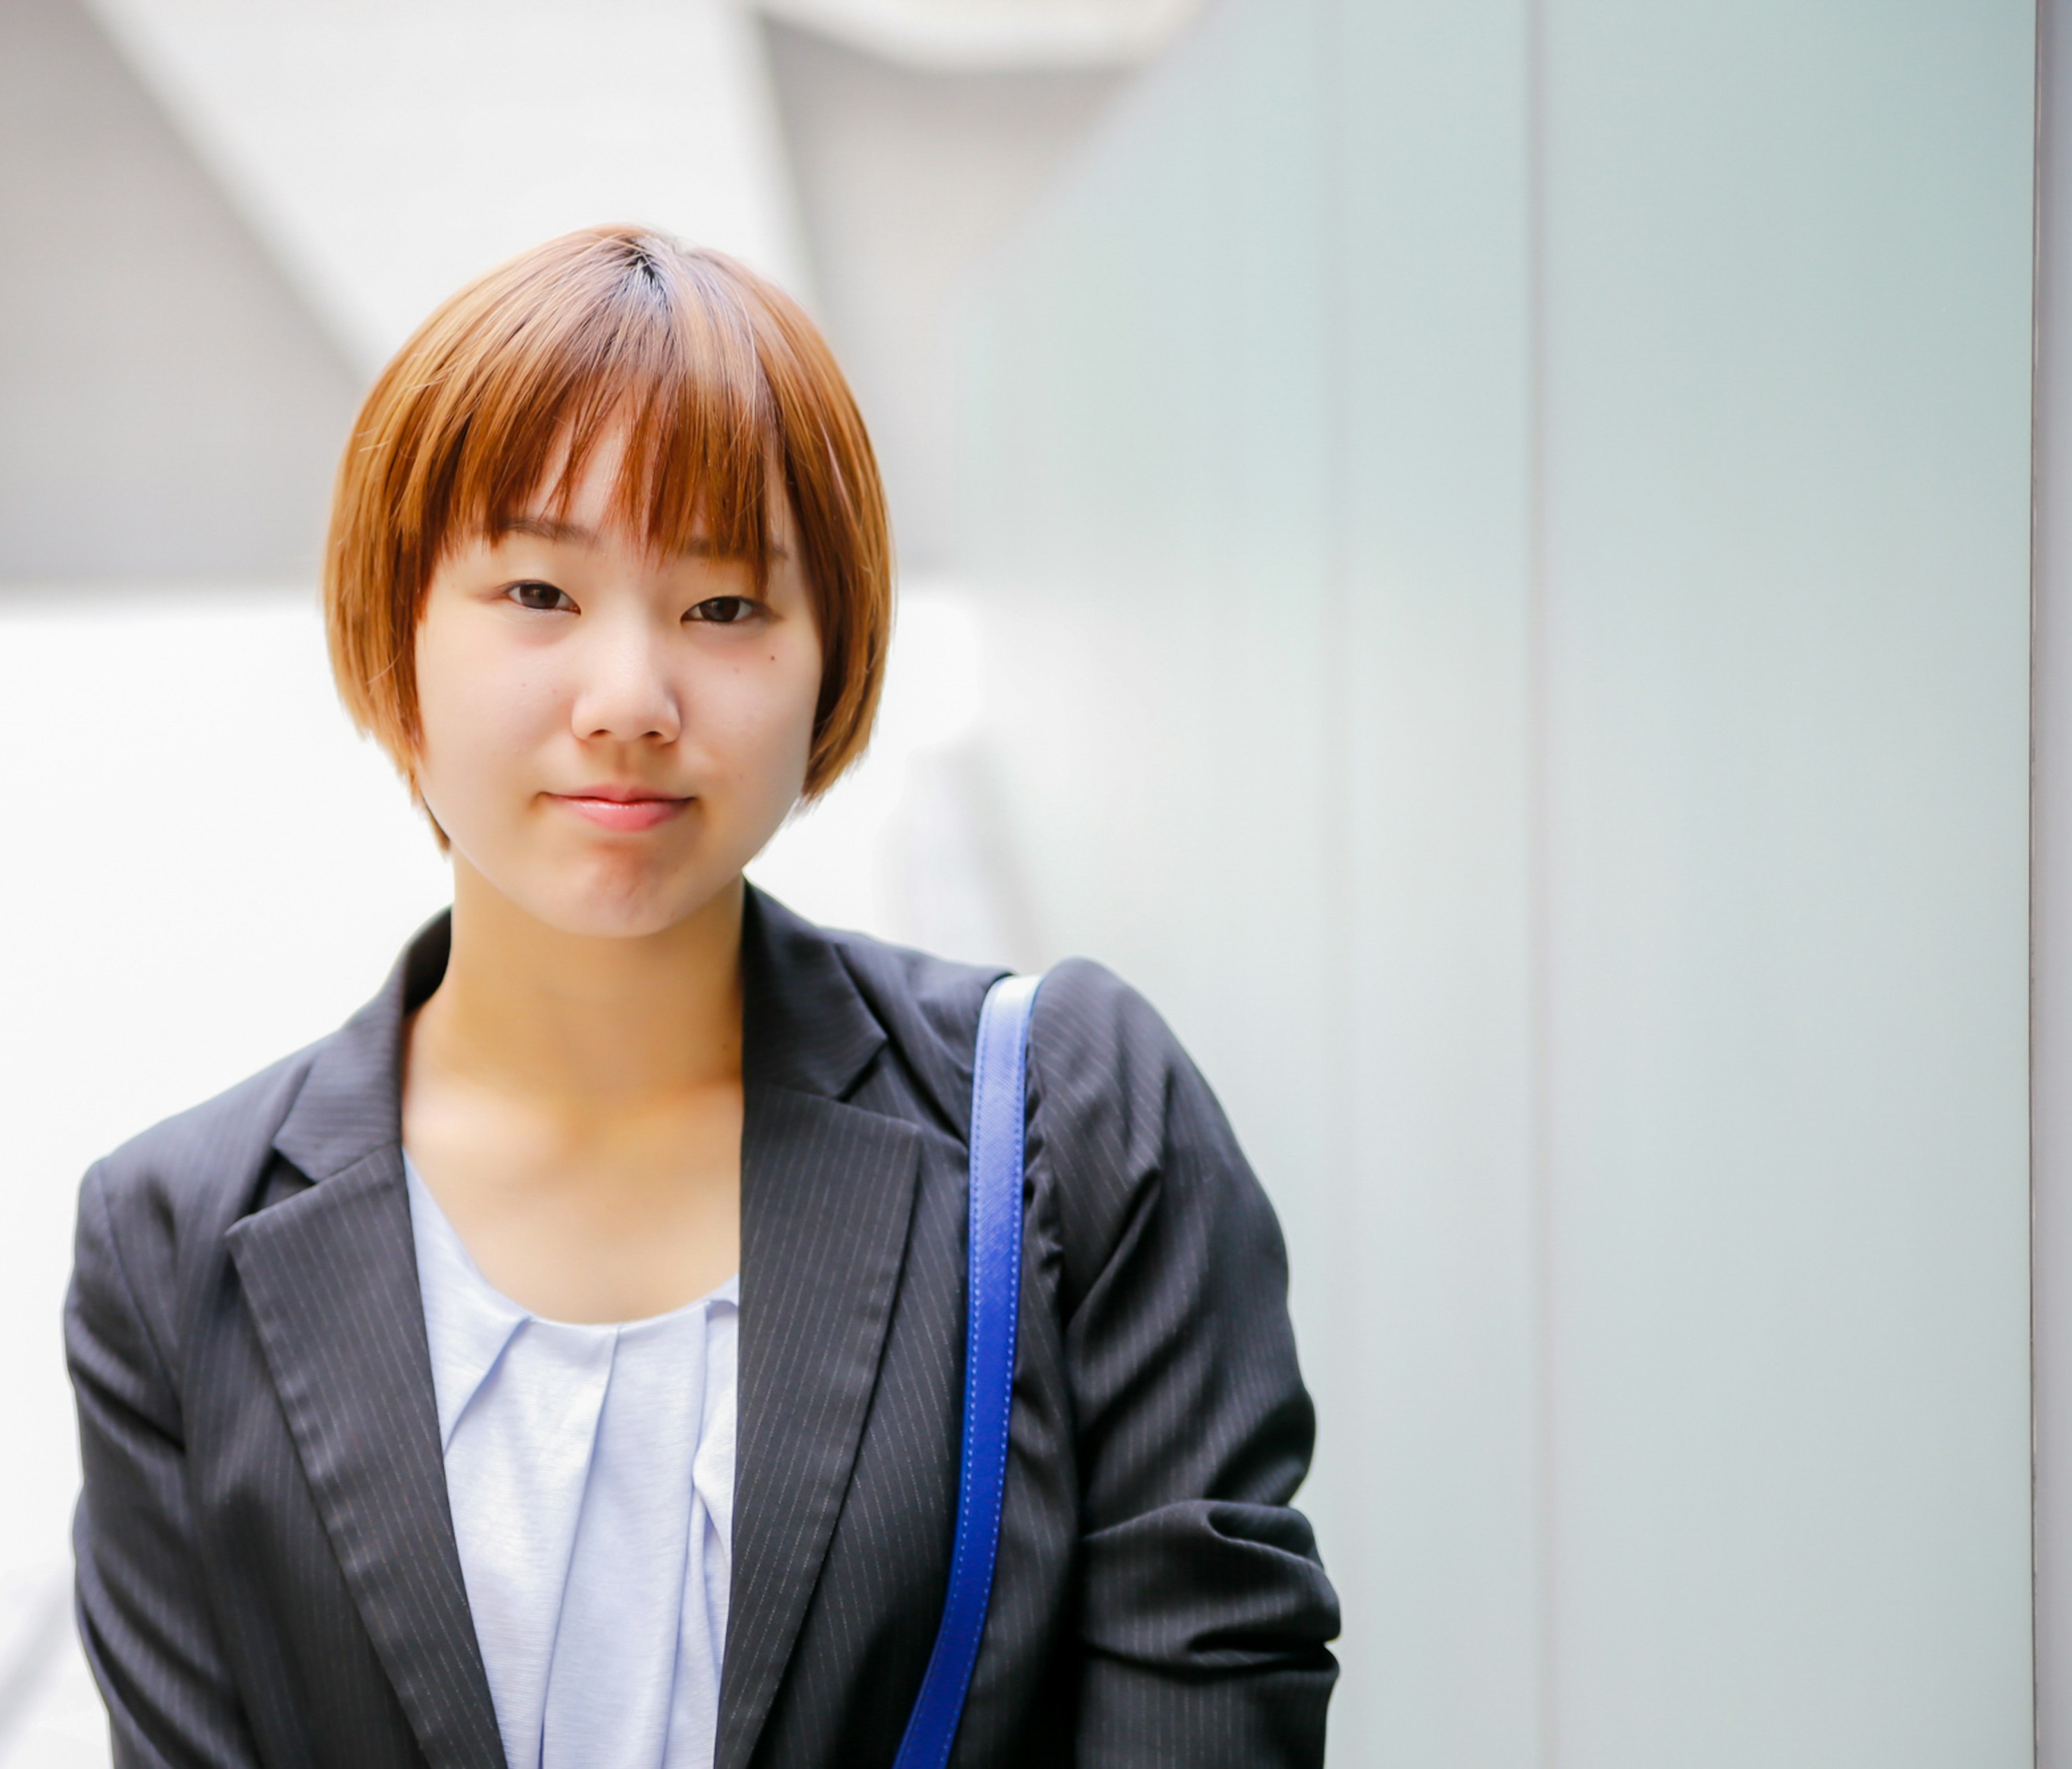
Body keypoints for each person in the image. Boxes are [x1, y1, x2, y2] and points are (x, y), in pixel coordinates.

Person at [65, 225, 1338, 1769]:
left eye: (725, 607)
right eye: (538, 589)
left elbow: (1208, 1699)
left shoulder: (1071, 1123)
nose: (629, 700)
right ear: (397, 643)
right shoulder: (175, 1242)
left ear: (833, 663)